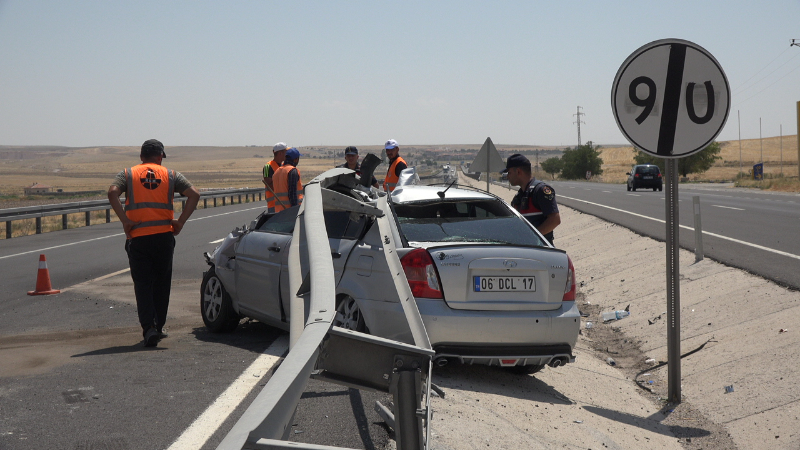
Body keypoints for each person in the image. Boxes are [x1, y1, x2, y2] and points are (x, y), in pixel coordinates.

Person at [107, 139, 200, 347]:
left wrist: (125, 221)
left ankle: (148, 328)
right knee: (161, 283)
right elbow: (195, 194)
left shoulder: (128, 174)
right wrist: (180, 222)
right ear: (160, 157)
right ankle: (158, 327)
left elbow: (112, 192)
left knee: (143, 284)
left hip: (138, 238)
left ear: (141, 157)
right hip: (163, 237)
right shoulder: (171, 175)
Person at [503, 153, 561, 246]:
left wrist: (533, 237)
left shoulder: (540, 191)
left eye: (509, 172)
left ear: (518, 172)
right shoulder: (519, 197)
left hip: (541, 251)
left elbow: (555, 220)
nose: (507, 176)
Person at [273, 147, 303, 212]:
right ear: (295, 159)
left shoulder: (277, 171)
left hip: (278, 211)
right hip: (289, 211)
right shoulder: (292, 171)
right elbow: (292, 193)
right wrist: (295, 210)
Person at [263, 142, 287, 213]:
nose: (287, 154)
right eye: (286, 152)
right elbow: (269, 185)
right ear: (280, 153)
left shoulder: (283, 166)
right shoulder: (268, 166)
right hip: (273, 205)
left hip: (284, 204)